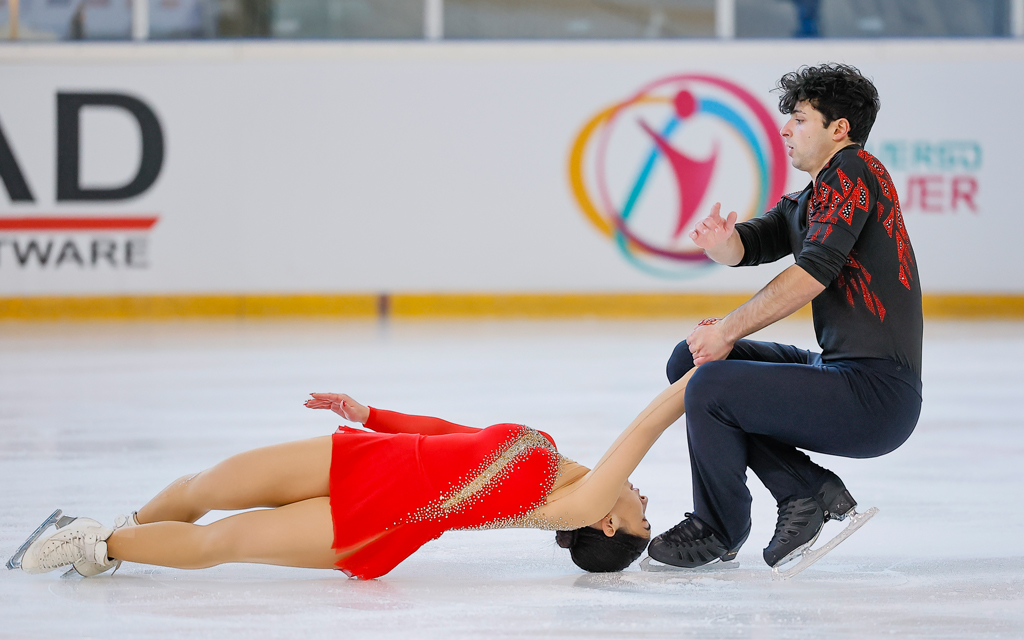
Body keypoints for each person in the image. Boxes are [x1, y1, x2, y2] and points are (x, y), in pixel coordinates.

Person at [13, 372, 697, 580]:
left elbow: (642, 430)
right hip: (360, 459)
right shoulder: (549, 457)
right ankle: (134, 533)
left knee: (228, 541)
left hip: (377, 519)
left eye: (639, 513)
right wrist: (372, 414)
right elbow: (451, 436)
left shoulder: (577, 504)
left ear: (606, 523)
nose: (641, 499)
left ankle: (97, 545)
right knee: (207, 486)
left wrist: (702, 374)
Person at [647, 64, 922, 571]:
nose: (785, 129)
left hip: (876, 395)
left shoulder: (856, 171)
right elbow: (755, 241)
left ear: (839, 129)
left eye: (798, 118)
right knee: (689, 364)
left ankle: (719, 526)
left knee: (709, 384)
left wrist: (728, 329)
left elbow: (812, 272)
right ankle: (804, 489)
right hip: (839, 372)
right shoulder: (817, 194)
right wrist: (723, 243)